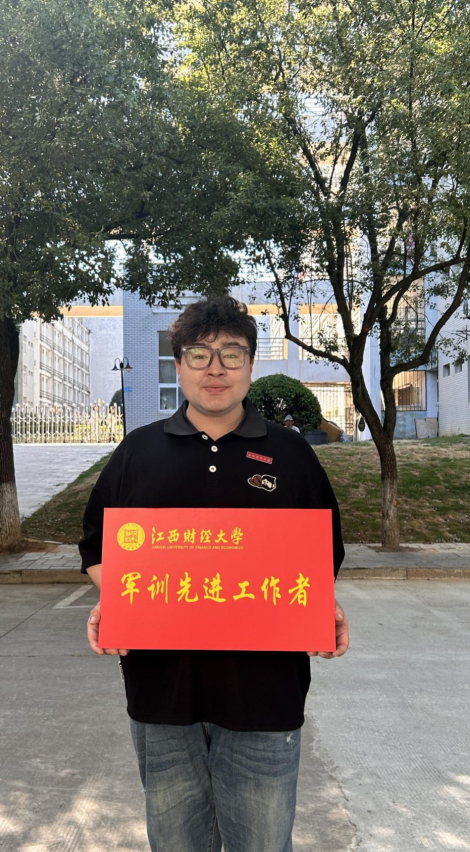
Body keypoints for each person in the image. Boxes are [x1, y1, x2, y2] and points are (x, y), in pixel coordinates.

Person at [80, 296, 349, 852]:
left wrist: (323, 606)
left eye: (232, 354)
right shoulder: (138, 452)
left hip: (265, 695)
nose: (216, 369)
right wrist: (119, 601)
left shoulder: (290, 454)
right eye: (199, 355)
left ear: (250, 364)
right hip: (162, 694)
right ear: (179, 365)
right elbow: (96, 545)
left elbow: (322, 552)